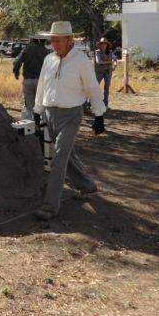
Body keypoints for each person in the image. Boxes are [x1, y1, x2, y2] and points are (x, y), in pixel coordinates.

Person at [33, 21, 106, 220]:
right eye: (52, 40)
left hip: (71, 115)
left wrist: (99, 115)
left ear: (69, 39)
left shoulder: (81, 60)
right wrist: (37, 111)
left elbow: (92, 88)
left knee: (58, 158)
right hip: (49, 113)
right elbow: (42, 85)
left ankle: (50, 206)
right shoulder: (48, 59)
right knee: (67, 155)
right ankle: (88, 186)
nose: (54, 44)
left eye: (58, 40)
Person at [13, 37, 49, 119]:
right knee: (41, 106)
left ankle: (29, 128)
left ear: (32, 40)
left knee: (29, 108)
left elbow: (17, 62)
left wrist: (16, 72)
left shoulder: (27, 49)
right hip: (41, 82)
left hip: (28, 80)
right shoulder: (46, 51)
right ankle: (41, 128)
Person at [94, 37, 117, 107]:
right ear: (100, 45)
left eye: (105, 44)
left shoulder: (110, 52)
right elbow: (99, 61)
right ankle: (90, 103)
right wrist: (110, 62)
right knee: (94, 87)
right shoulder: (97, 52)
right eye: (102, 44)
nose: (103, 45)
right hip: (99, 72)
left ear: (107, 45)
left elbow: (115, 58)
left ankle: (105, 104)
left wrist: (115, 64)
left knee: (106, 88)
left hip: (108, 72)